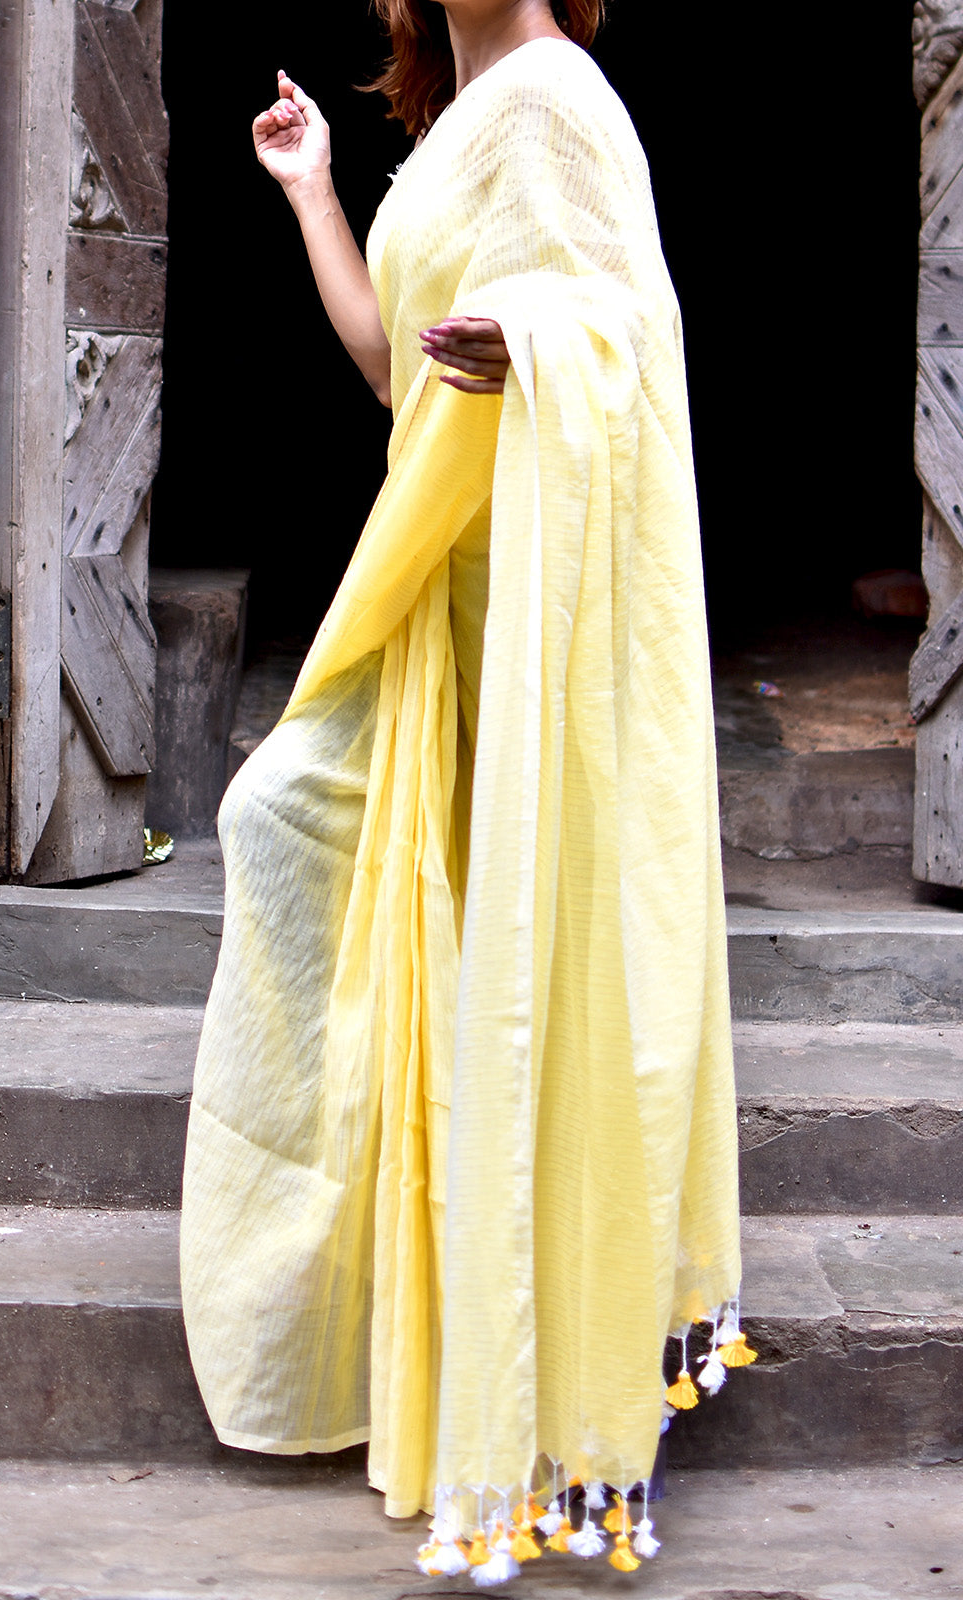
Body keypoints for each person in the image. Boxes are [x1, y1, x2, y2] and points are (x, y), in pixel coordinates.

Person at [180, 0, 749, 1582]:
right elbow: (396, 372)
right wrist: (312, 187)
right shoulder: (458, 118)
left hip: (530, 622)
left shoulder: (561, 97)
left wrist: (542, 349)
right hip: (442, 586)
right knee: (303, 836)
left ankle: (530, 1369)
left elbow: (635, 337)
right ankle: (408, 1324)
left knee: (495, 948)